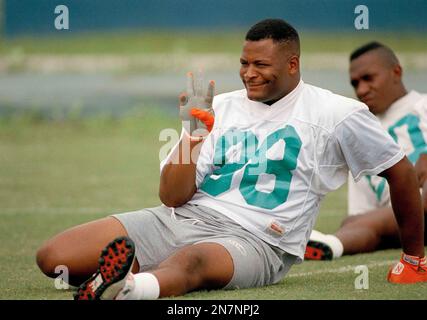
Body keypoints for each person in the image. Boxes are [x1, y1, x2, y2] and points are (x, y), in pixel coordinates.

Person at [36, 20, 427, 301]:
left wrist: (414, 257)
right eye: (244, 63)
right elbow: (172, 198)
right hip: (184, 219)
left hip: (257, 241)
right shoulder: (219, 107)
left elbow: (401, 172)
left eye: (260, 65)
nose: (248, 74)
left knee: (192, 261)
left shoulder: (336, 113)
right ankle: (126, 274)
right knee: (54, 258)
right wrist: (192, 135)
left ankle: (130, 289)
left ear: (292, 64)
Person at [305, 42, 427, 272]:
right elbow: (360, 217)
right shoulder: (359, 133)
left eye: (368, 78)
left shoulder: (423, 105)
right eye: (355, 83)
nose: (361, 90)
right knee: (356, 224)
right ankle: (330, 245)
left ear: (396, 72)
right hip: (399, 223)